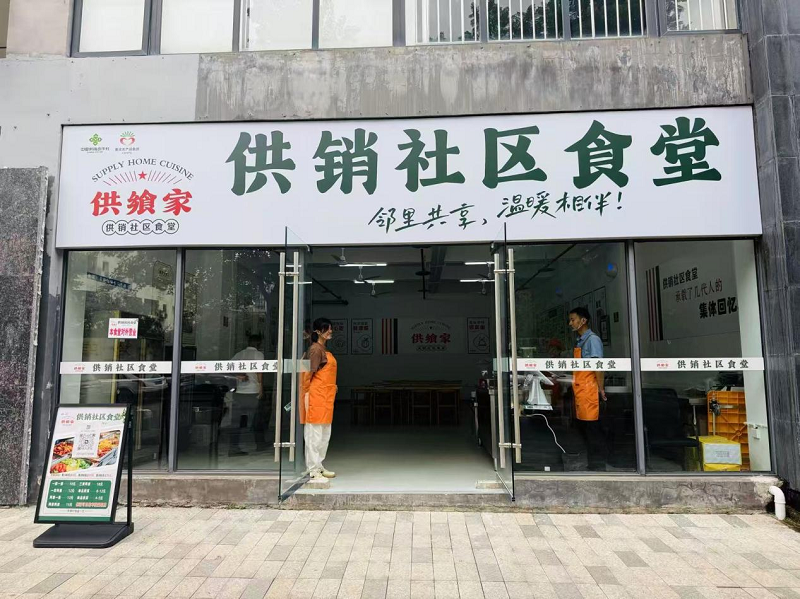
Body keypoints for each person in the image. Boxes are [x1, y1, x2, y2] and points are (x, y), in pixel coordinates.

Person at [568, 307, 607, 470]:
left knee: (592, 430)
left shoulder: (592, 340)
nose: (570, 323)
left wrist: (601, 389)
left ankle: (597, 465)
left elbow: (598, 367)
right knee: (584, 428)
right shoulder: (580, 341)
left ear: (583, 320)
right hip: (582, 391)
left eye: (573, 320)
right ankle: (592, 463)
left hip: (590, 391)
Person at [303, 318, 338, 482]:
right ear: (318, 331)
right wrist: (306, 395)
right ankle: (312, 469)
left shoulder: (324, 349)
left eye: (330, 328)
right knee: (314, 435)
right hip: (316, 397)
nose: (330, 331)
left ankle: (319, 465)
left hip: (326, 398)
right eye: (327, 328)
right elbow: (307, 374)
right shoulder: (315, 350)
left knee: (324, 435)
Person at [228, 334, 265, 456]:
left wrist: (238, 376)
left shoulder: (239, 354)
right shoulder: (258, 355)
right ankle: (259, 444)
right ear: (259, 344)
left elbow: (228, 367)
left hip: (239, 392)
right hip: (253, 391)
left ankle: (233, 447)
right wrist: (261, 388)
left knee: (236, 421)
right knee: (257, 419)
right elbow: (259, 372)